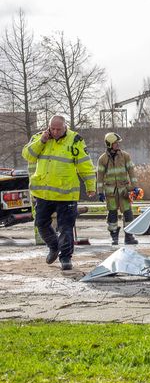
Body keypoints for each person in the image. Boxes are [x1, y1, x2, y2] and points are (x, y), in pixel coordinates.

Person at [22, 115, 96, 270]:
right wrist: (42, 141)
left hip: (66, 193)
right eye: (53, 129)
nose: (55, 132)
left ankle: (66, 258)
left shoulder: (75, 140)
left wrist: (91, 186)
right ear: (49, 126)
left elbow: (85, 165)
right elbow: (28, 155)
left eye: (59, 129)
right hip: (43, 193)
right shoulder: (38, 138)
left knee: (66, 227)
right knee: (41, 224)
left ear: (65, 127)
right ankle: (54, 246)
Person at [97, 132, 140, 245]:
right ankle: (114, 237)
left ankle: (129, 237)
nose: (118, 145)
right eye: (115, 143)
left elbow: (132, 172)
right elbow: (100, 177)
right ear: (109, 144)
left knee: (128, 213)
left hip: (124, 191)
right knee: (112, 214)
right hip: (111, 192)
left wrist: (135, 187)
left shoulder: (125, 156)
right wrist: (100, 192)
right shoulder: (102, 159)